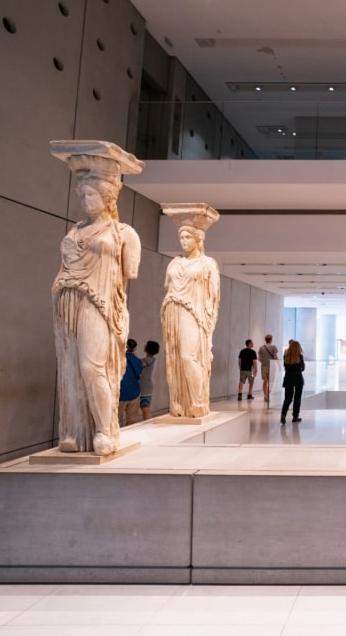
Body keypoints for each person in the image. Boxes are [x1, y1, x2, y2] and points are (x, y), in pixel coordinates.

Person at [50, 140, 143, 456]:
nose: (84, 199)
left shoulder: (125, 234)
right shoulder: (74, 230)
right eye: (82, 194)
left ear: (107, 197)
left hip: (100, 305)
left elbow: (128, 274)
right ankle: (76, 432)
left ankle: (105, 430)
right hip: (68, 302)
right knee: (71, 368)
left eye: (90, 194)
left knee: (93, 367)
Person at [161, 204, 220, 418]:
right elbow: (168, 287)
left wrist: (209, 327)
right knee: (175, 357)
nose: (184, 241)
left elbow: (213, 299)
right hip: (173, 311)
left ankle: (197, 401)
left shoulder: (208, 264)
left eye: (188, 237)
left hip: (194, 314)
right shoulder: (175, 263)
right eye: (182, 237)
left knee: (188, 357)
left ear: (198, 239)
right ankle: (179, 404)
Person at [280, 339, 306, 425]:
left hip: (288, 378)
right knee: (297, 398)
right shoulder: (300, 356)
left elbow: (285, 367)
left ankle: (283, 414)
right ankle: (295, 417)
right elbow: (303, 368)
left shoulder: (286, 356)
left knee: (288, 398)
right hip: (298, 378)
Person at [119, 338, 142, 427]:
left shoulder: (117, 359)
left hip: (120, 393)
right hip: (134, 392)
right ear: (135, 348)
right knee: (131, 420)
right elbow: (139, 374)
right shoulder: (137, 360)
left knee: (115, 420)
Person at [139, 340, 160, 421]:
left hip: (145, 387)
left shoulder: (148, 359)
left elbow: (137, 364)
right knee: (145, 408)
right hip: (147, 386)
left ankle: (147, 424)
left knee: (145, 408)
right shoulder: (152, 359)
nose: (144, 346)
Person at [258, 334, 280, 404]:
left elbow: (259, 358)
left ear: (265, 339)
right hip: (272, 366)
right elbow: (275, 357)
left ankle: (265, 395)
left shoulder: (261, 347)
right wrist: (279, 365)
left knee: (265, 381)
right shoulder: (273, 347)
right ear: (271, 339)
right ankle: (268, 394)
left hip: (264, 366)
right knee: (271, 382)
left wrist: (263, 362)